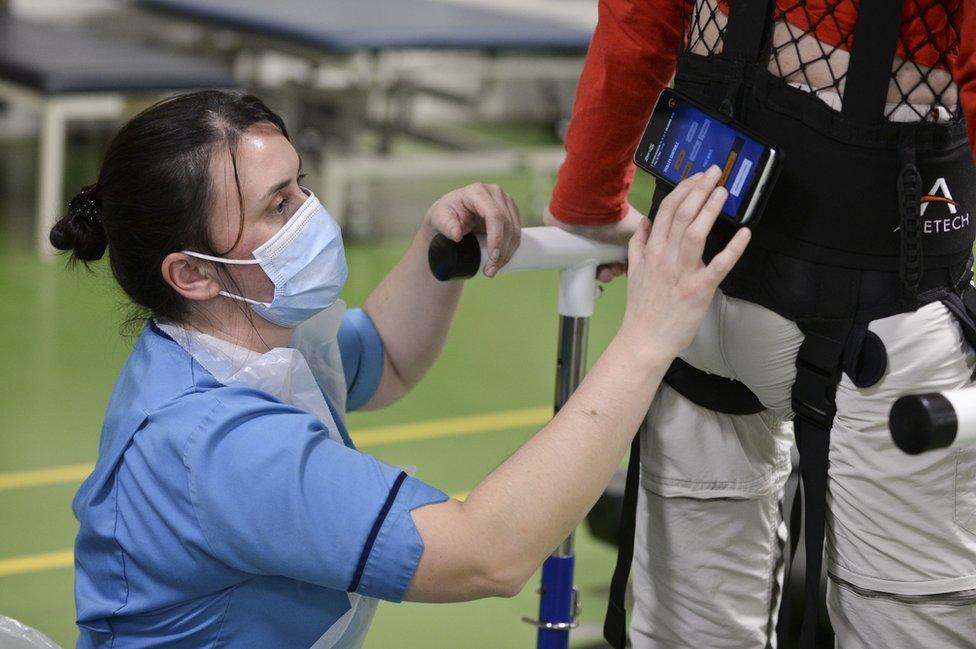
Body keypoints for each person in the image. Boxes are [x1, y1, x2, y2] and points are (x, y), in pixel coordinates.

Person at [53, 89, 750, 648]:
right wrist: (646, 339)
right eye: (278, 206)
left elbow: (378, 359)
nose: (310, 214)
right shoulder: (215, 445)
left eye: (300, 184)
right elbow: (487, 552)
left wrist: (433, 250)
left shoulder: (242, 340)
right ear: (194, 273)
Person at [545, 1, 976, 648]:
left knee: (689, 632)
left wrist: (590, 198)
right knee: (908, 623)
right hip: (874, 327)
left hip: (694, 285)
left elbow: (638, 20)